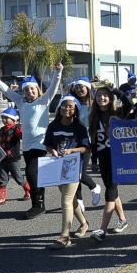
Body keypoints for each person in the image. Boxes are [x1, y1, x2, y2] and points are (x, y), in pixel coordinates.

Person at [0, 61, 64, 219]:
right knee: (35, 175)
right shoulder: (21, 102)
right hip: (26, 146)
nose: (29, 91)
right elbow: (5, 89)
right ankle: (39, 203)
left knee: (30, 173)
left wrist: (58, 72)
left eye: (32, 88)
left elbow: (54, 86)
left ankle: (37, 205)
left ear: (37, 89)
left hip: (40, 144)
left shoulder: (44, 100)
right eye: (26, 89)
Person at [43, 96, 91, 249]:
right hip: (57, 166)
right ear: (59, 107)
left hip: (73, 167)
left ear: (75, 109)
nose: (67, 109)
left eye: (71, 107)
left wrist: (72, 150)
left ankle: (65, 236)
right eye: (64, 106)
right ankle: (84, 223)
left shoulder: (80, 127)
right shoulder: (53, 126)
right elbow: (48, 145)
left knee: (66, 200)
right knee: (70, 200)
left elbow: (86, 148)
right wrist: (53, 151)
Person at [88, 81, 133, 242]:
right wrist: (93, 161)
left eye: (105, 95)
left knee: (110, 191)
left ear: (110, 97)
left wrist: (115, 90)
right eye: (99, 95)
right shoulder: (93, 116)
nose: (102, 98)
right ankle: (123, 220)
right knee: (111, 189)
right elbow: (93, 141)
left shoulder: (118, 112)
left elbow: (129, 103)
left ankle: (102, 230)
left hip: (117, 157)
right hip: (103, 158)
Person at [0, 107, 25, 206]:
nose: (4, 120)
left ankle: (29, 191)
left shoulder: (16, 128)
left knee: (18, 177)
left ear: (13, 119)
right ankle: (1, 198)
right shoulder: (2, 129)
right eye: (3, 118)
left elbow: (21, 136)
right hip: (3, 157)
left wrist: (20, 128)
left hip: (13, 158)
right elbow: (0, 138)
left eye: (6, 118)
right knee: (2, 177)